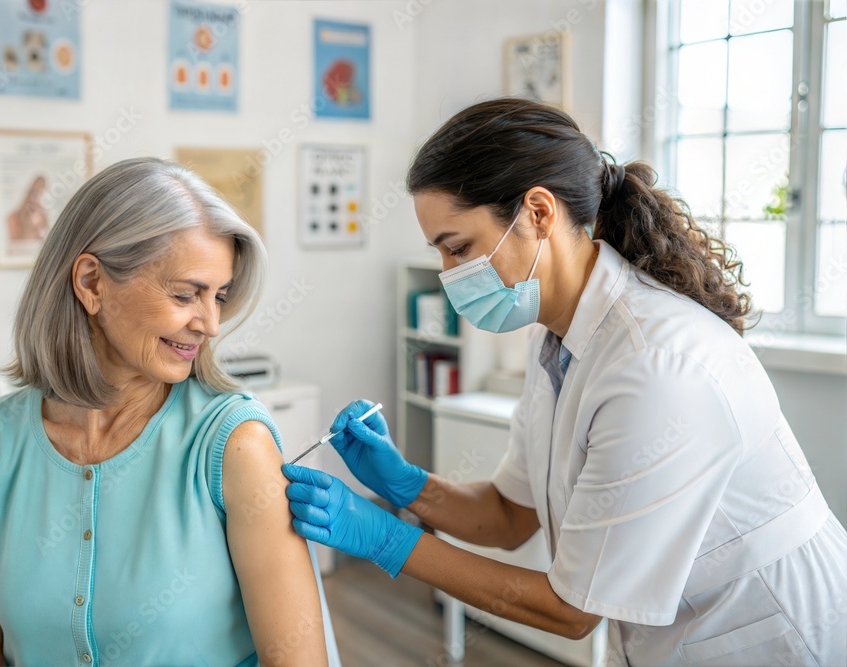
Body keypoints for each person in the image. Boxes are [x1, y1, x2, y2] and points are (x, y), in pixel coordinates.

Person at [283, 99, 847, 666]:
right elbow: (510, 515)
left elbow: (571, 612)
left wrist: (384, 538)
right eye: (441, 253)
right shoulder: (556, 337)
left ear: (538, 213)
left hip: (784, 637)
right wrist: (407, 484)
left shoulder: (656, 365)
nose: (450, 276)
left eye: (460, 248)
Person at [0, 157, 327, 666]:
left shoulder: (236, 443)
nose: (211, 324)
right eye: (185, 294)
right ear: (91, 283)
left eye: (219, 296)